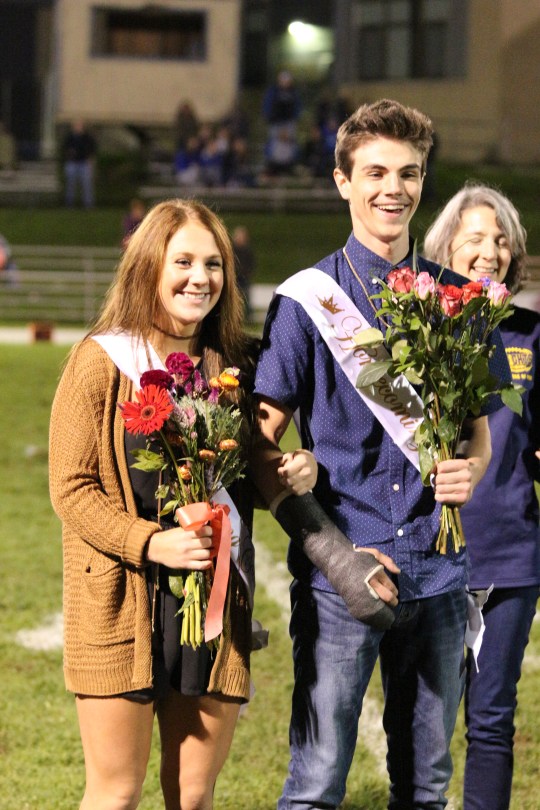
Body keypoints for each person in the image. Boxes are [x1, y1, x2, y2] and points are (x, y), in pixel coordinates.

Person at [252, 99, 510, 809]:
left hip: (441, 573)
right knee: (316, 784)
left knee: (427, 788)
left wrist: (473, 467)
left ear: (424, 182)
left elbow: (480, 428)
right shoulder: (307, 302)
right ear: (343, 181)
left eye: (409, 172)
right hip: (346, 578)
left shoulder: (460, 300)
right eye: (375, 172)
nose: (392, 188)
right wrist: (332, 547)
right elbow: (258, 442)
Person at [48, 198, 317, 810]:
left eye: (214, 264)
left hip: (214, 607)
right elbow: (71, 487)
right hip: (120, 602)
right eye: (185, 261)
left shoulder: (238, 365)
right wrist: (152, 543)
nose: (201, 278)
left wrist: (298, 466)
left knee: (192, 795)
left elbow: (253, 463)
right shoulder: (100, 361)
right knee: (116, 793)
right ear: (148, 265)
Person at [424, 184, 539, 810]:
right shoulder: (417, 333)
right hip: (429, 559)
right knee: (425, 724)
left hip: (511, 557)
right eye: (475, 238)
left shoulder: (530, 334)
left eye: (501, 240)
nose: (489, 251)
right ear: (445, 246)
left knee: (492, 721)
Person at [62, 118, 97, 208]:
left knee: (86, 184)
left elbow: (92, 150)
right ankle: (69, 203)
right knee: (70, 184)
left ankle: (88, 204)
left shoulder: (87, 138)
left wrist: (90, 162)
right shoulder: (69, 138)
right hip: (72, 163)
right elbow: (64, 149)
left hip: (84, 163)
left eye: (79, 126)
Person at [232, 225, 256, 319]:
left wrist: (247, 273)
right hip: (235, 277)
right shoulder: (232, 250)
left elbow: (252, 263)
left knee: (246, 297)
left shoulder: (248, 251)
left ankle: (247, 316)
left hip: (244, 277)